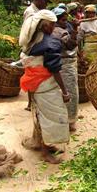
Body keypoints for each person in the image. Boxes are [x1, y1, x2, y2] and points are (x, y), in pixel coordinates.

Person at [19, 10, 70, 164]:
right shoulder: (50, 43)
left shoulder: (32, 41)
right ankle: (45, 152)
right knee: (49, 118)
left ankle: (44, 144)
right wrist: (65, 91)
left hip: (35, 85)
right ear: (45, 25)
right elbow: (55, 69)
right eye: (52, 24)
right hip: (45, 86)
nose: (54, 27)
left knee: (39, 114)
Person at [20, 0, 52, 111]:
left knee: (36, 74)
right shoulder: (30, 12)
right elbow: (30, 31)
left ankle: (34, 101)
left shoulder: (38, 11)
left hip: (37, 46)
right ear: (39, 0)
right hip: (32, 47)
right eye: (45, 2)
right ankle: (31, 103)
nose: (46, 5)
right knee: (32, 74)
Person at [51, 7, 79, 132]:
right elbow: (71, 45)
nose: (65, 22)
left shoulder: (53, 31)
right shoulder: (59, 32)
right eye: (63, 20)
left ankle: (63, 119)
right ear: (56, 20)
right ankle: (70, 121)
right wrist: (75, 29)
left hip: (60, 64)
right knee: (70, 92)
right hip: (65, 64)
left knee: (60, 92)